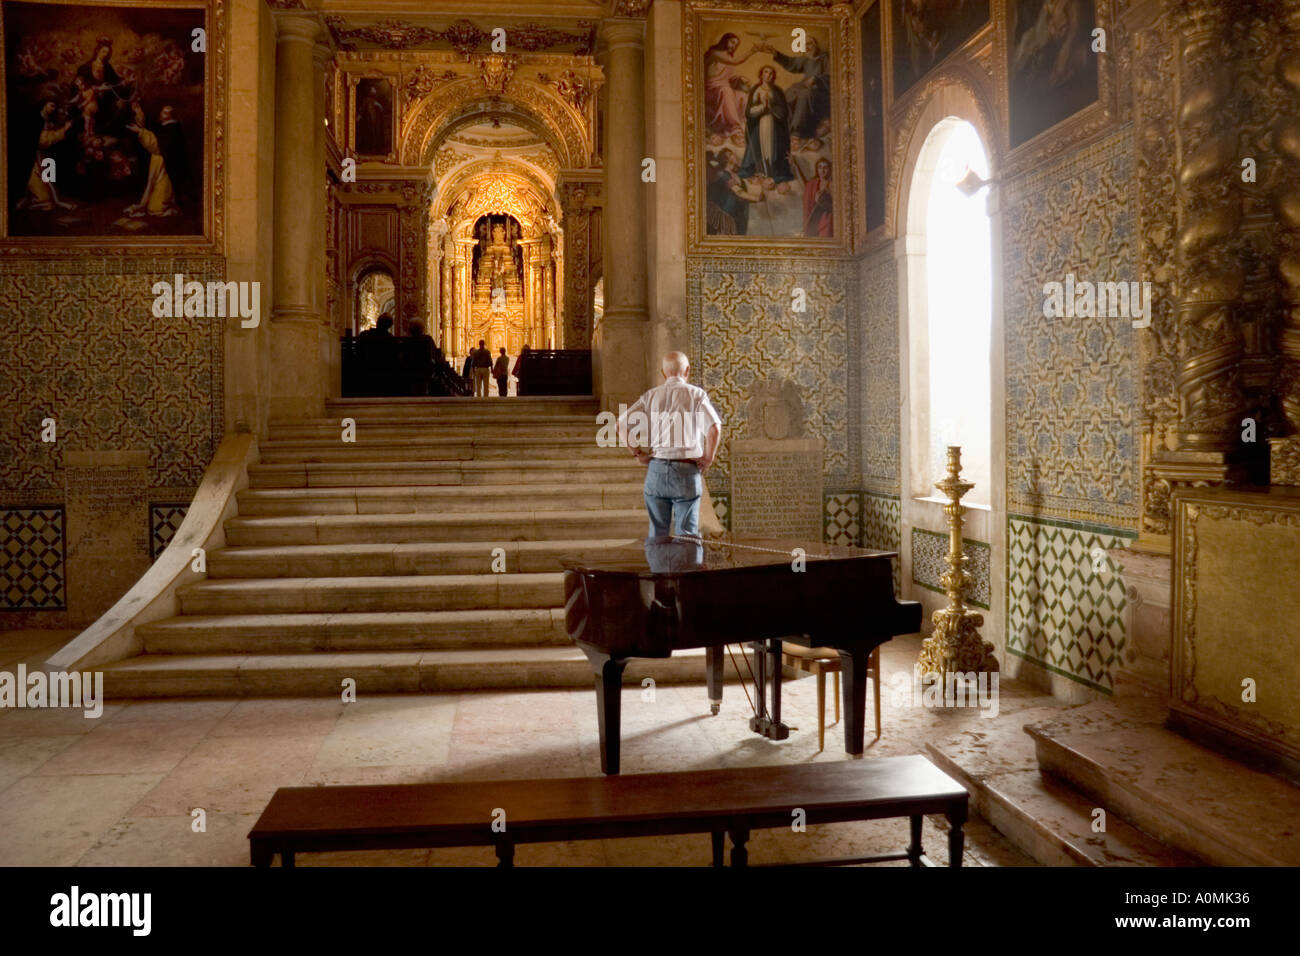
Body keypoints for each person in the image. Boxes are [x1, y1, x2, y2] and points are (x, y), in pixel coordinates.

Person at [619, 351, 723, 538]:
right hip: (686, 470)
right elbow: (714, 428)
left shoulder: (651, 396)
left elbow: (621, 424)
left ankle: (659, 568)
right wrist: (708, 458)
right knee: (687, 536)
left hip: (656, 469)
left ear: (663, 372)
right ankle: (685, 566)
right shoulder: (696, 395)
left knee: (657, 535)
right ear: (687, 370)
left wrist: (637, 453)